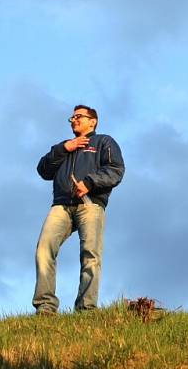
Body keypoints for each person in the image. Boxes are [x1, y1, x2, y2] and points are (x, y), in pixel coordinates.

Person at [32, 104, 124, 314]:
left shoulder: (104, 142)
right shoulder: (65, 147)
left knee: (90, 256)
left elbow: (116, 170)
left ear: (93, 121)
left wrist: (89, 183)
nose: (74, 120)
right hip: (61, 205)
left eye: (79, 116)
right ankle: (45, 306)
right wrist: (65, 148)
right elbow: (43, 170)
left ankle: (86, 309)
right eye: (72, 118)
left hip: (90, 204)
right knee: (44, 250)